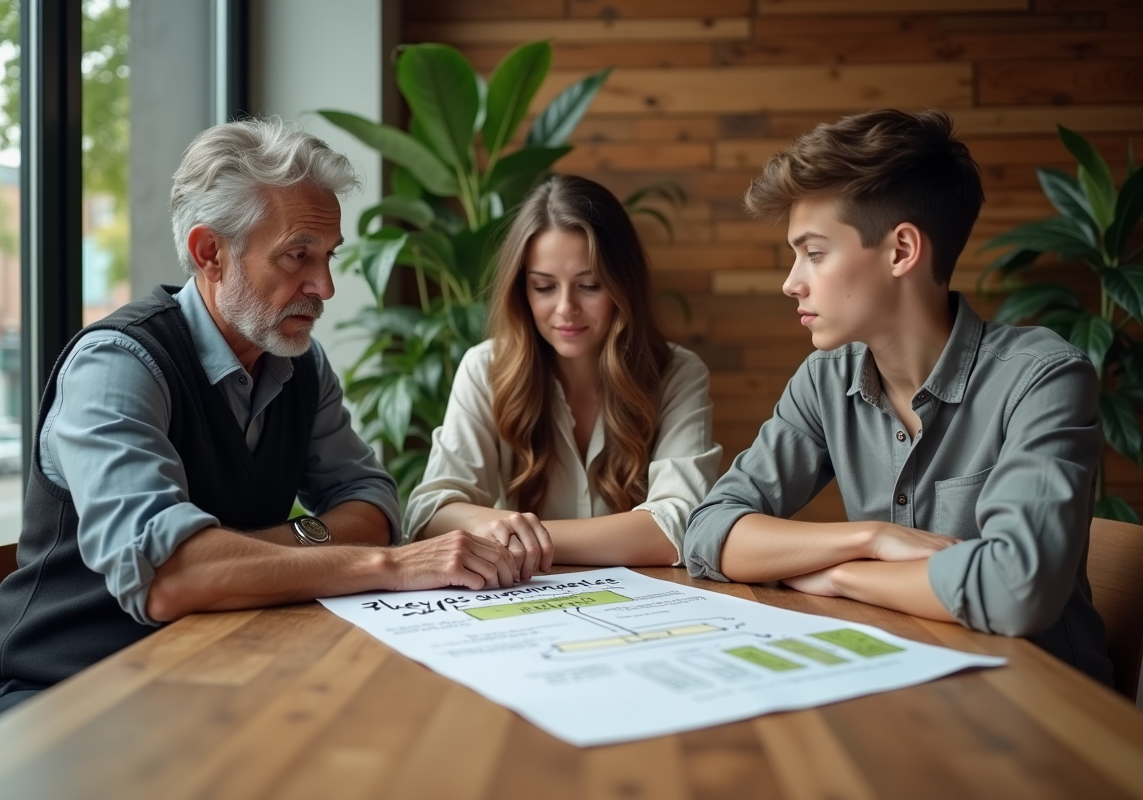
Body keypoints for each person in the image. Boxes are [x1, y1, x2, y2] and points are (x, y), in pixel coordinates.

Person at [0, 119, 517, 722]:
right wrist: (391, 567)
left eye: (328, 256)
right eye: (298, 255)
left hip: (213, 668)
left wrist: (243, 555)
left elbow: (373, 506)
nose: (325, 286)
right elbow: (171, 577)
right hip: (62, 693)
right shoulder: (117, 365)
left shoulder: (299, 365)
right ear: (211, 253)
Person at [683, 108, 1113, 685]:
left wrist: (841, 575)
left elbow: (1016, 590)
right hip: (902, 684)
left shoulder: (1042, 378)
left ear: (902, 250)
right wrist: (872, 538)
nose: (791, 282)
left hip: (1043, 706)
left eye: (814, 253)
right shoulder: (824, 380)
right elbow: (711, 530)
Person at [404, 174, 721, 578]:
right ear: (522, 291)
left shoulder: (677, 373)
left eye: (589, 285)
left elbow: (681, 523)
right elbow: (430, 512)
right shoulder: (484, 368)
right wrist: (497, 527)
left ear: (622, 286)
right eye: (544, 287)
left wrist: (524, 537)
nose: (565, 308)